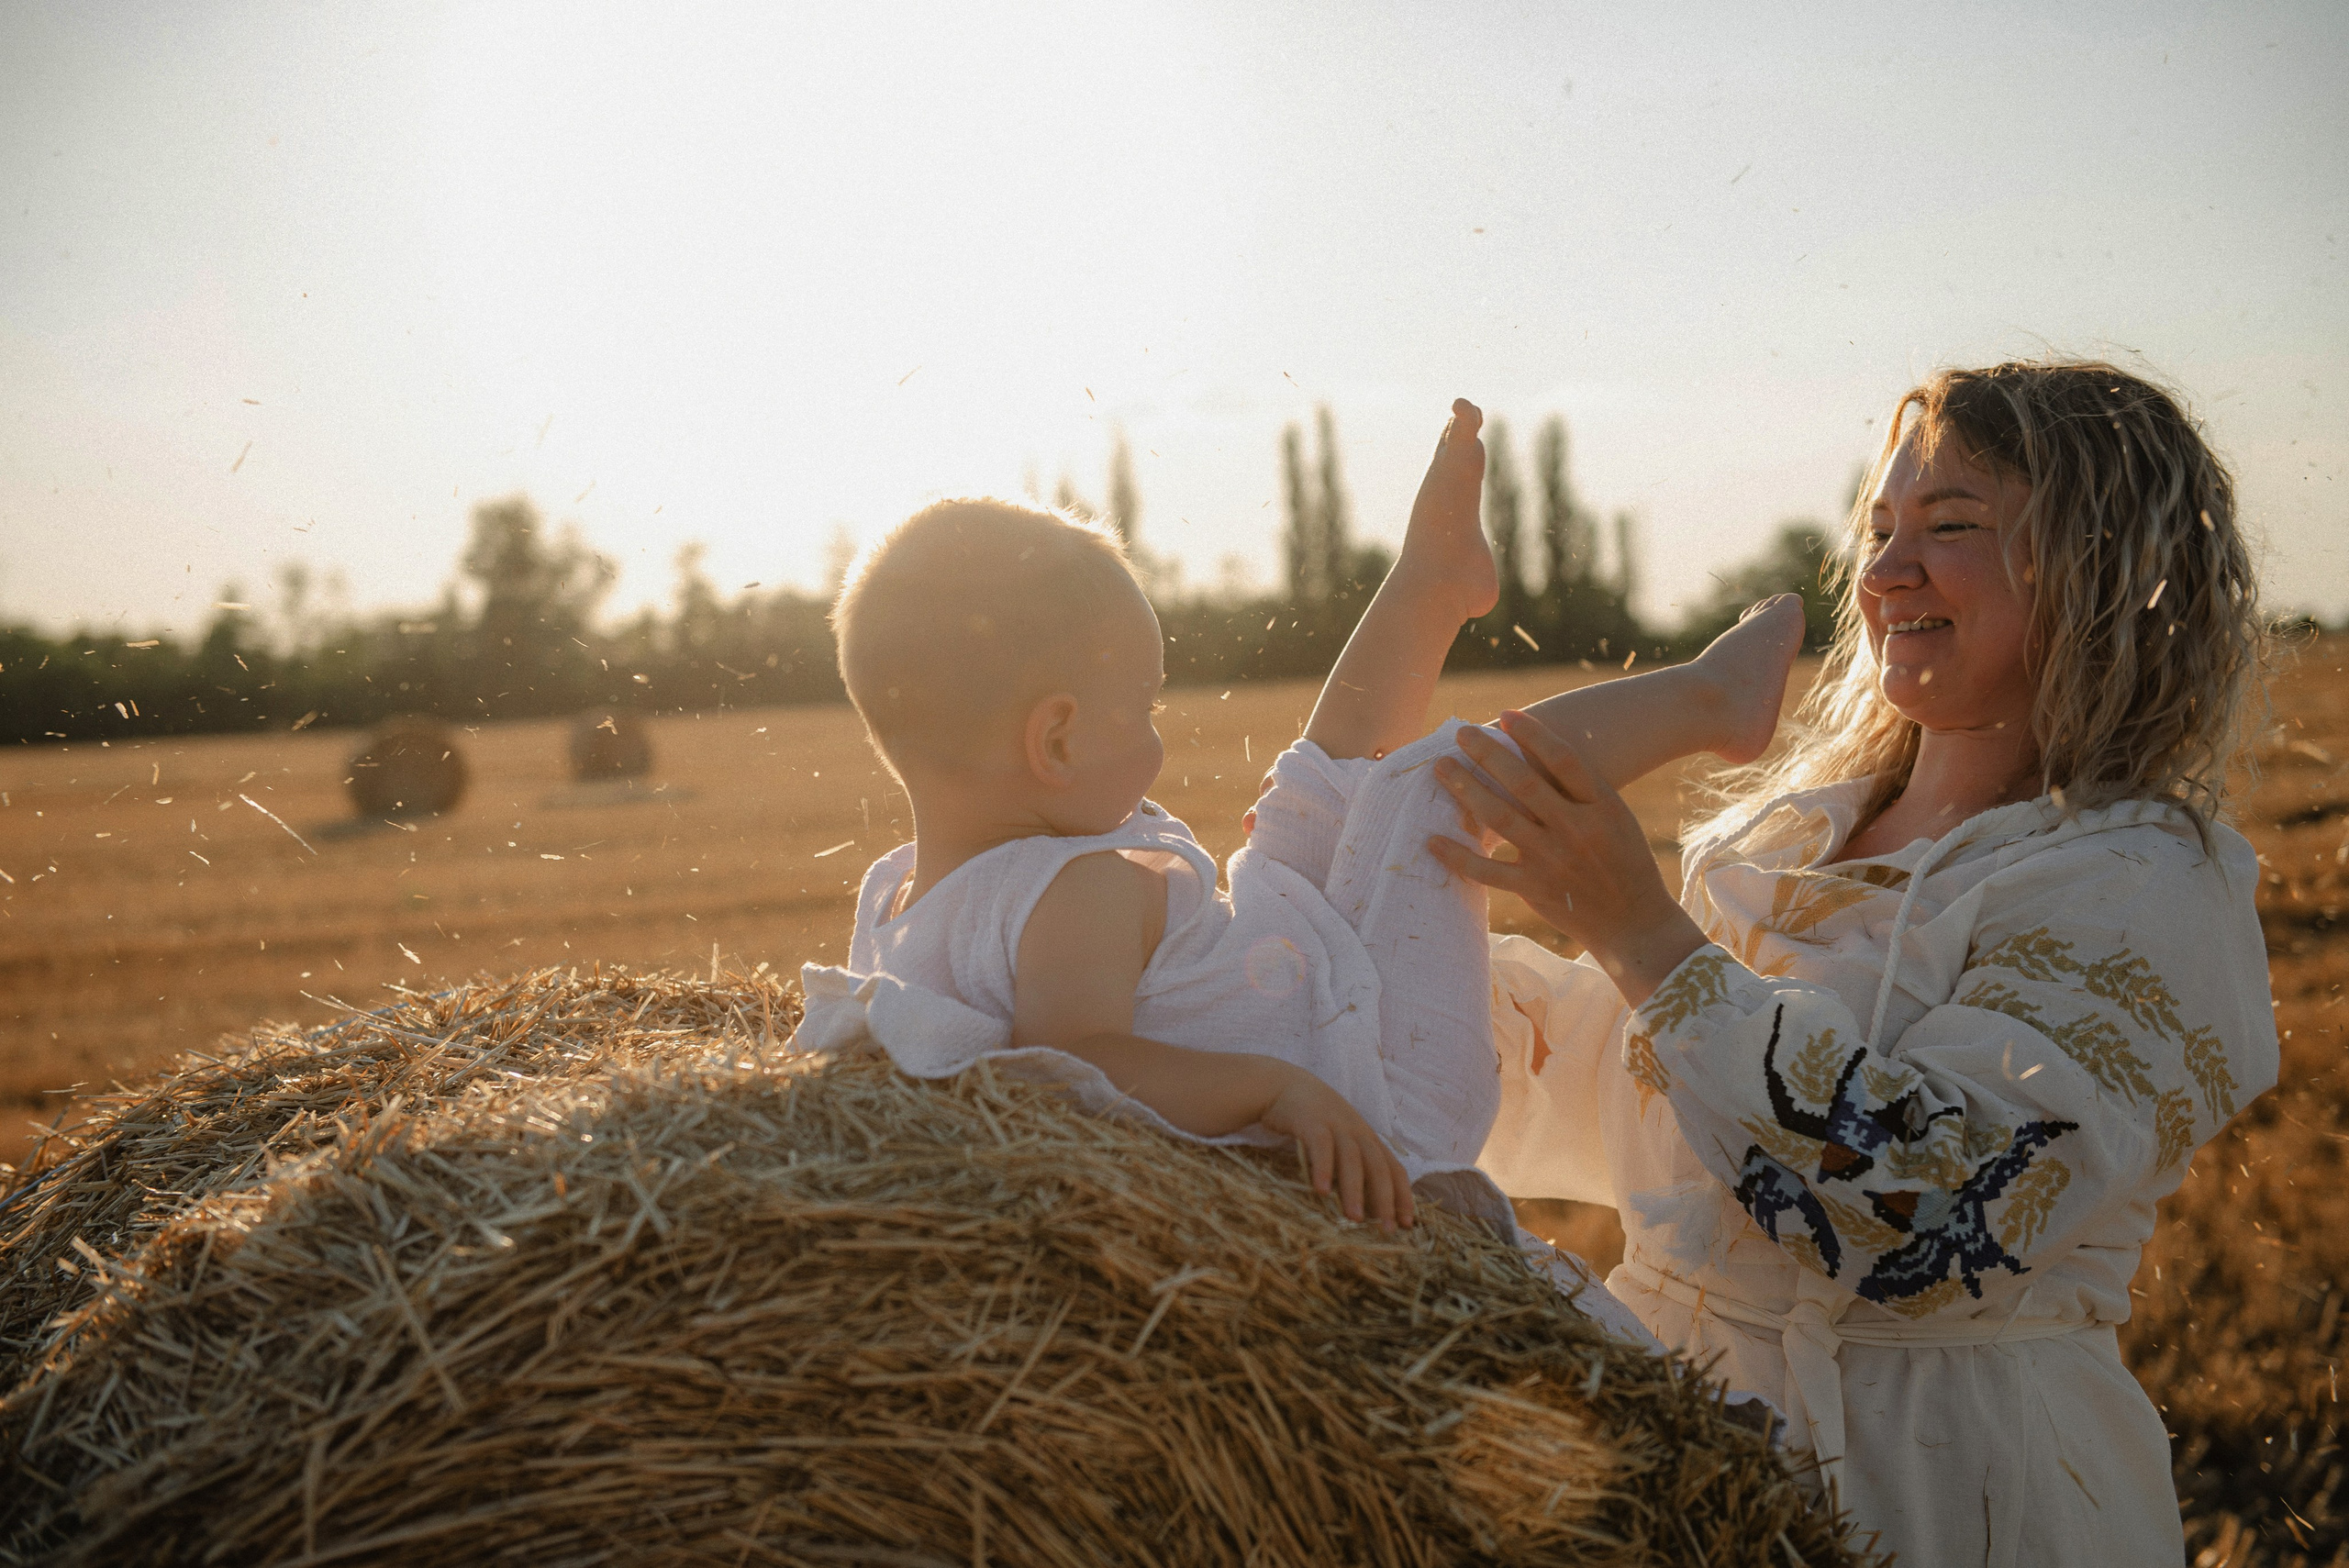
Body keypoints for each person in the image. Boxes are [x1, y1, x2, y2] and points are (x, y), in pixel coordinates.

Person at [1432, 361, 2277, 1566]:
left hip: (1958, 1499)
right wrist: (1368, 965)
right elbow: (1653, 1123)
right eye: (1879, 527)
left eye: (1952, 527)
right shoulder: (1781, 844)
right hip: (1682, 1469)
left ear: (2105, 567)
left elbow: (1932, 1214)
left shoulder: (2141, 883)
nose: (1884, 571)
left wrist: (1641, 932)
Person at [790, 400, 1802, 1240]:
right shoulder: (1078, 885)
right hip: (1371, 1086)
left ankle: (1430, 586)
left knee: (1302, 806)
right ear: (1054, 741)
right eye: (1139, 709)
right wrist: (1280, 1091)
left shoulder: (897, 891)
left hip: (1308, 1002)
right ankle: (1708, 704)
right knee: (1428, 788)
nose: (1153, 741)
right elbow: (1082, 1067)